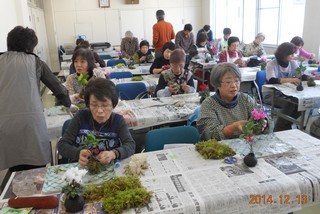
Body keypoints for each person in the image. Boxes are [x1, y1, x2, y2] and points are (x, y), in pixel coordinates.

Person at [0, 26, 71, 171]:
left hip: (4, 124)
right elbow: (58, 89)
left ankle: (15, 193)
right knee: (37, 169)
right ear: (30, 46)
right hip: (31, 124)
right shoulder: (36, 62)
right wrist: (68, 104)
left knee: (14, 165)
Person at [58, 78, 135, 166]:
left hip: (109, 168)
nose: (99, 111)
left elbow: (130, 145)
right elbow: (62, 145)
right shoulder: (81, 117)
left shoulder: (118, 120)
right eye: (94, 105)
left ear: (113, 105)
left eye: (105, 105)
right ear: (88, 105)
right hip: (81, 170)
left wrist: (114, 153)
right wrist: (77, 153)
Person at [197, 63, 268, 141]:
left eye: (237, 81)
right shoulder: (209, 104)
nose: (234, 85)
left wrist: (263, 122)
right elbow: (210, 133)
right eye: (228, 82)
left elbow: (262, 115)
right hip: (220, 148)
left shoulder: (245, 99)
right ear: (217, 84)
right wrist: (233, 128)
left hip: (245, 145)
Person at [265, 42, 309, 131]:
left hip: (288, 93)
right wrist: (291, 80)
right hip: (272, 94)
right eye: (291, 54)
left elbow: (301, 76)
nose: (293, 56)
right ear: (284, 54)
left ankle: (287, 124)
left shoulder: (292, 63)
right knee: (291, 103)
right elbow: (272, 80)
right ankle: (279, 128)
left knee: (302, 102)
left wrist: (312, 78)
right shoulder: (272, 64)